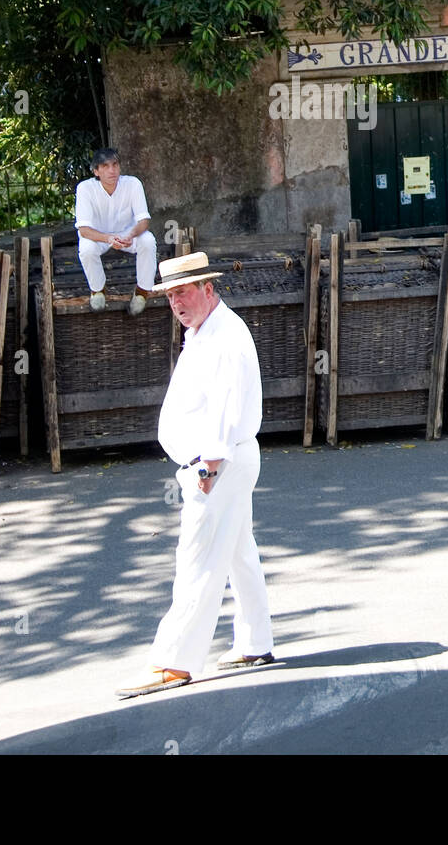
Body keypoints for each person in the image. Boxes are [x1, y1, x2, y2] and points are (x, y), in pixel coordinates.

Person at [116, 251, 275, 698]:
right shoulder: (205, 329)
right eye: (169, 295)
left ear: (208, 288)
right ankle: (255, 641)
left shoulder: (222, 336)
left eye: (183, 291)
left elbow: (225, 407)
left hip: (217, 465)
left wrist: (209, 465)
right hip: (223, 462)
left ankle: (174, 661)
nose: (176, 302)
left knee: (198, 561)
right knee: (238, 551)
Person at [75, 148, 158, 315]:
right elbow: (84, 230)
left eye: (115, 165)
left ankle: (142, 291)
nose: (112, 170)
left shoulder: (133, 183)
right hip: (98, 235)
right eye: (105, 166)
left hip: (127, 234)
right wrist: (108, 238)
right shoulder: (85, 188)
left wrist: (130, 236)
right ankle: (98, 290)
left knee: (148, 241)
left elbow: (144, 221)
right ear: (96, 171)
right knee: (86, 249)